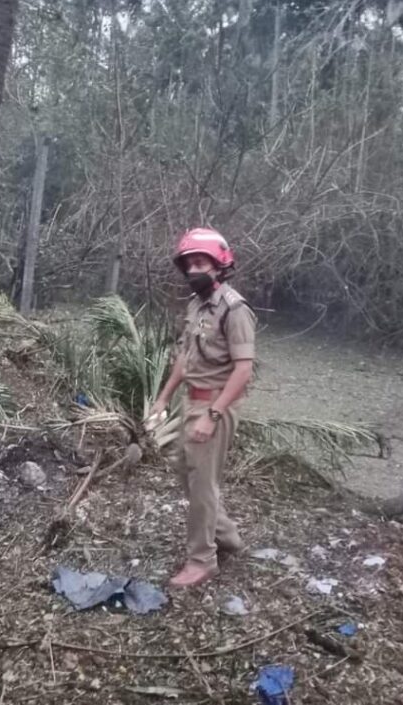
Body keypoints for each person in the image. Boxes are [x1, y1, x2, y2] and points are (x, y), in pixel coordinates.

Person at [149, 228, 257, 588]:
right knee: (185, 469)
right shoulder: (196, 305)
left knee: (201, 486)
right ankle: (226, 535)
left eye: (201, 262)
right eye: (189, 263)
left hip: (215, 404)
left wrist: (213, 416)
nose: (194, 269)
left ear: (220, 265)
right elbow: (185, 357)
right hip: (191, 401)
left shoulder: (235, 310)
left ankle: (202, 559)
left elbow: (243, 370)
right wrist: (164, 397)